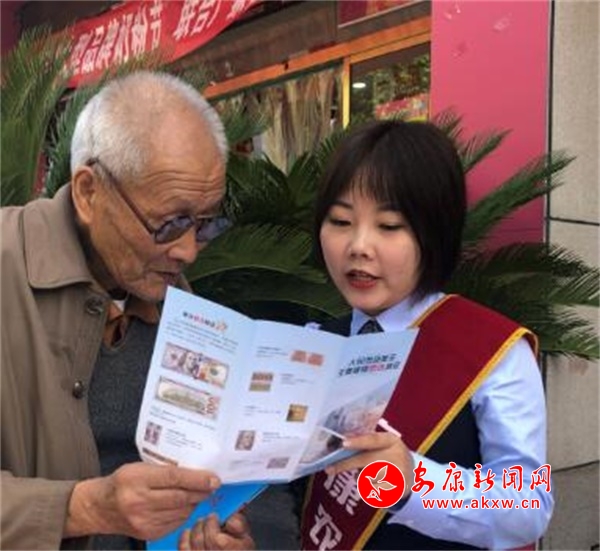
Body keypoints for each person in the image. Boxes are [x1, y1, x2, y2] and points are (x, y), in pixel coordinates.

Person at [0, 71, 249, 550]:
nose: (188, 251)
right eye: (169, 224)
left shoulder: (178, 303)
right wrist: (84, 508)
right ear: (89, 192)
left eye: (205, 224)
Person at [300, 120, 554, 550]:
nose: (358, 246)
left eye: (389, 226)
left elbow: (529, 506)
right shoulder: (315, 345)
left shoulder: (493, 353)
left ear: (434, 233)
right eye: (341, 221)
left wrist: (414, 481)